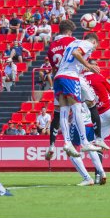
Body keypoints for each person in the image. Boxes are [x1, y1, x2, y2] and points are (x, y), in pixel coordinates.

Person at [53, 33, 102, 157]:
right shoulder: (87, 43)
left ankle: (67, 143)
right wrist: (89, 65)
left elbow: (70, 59)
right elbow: (76, 54)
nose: (92, 51)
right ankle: (85, 142)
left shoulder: (71, 43)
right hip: (70, 77)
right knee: (77, 109)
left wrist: (83, 67)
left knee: (64, 111)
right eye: (95, 48)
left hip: (59, 77)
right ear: (94, 42)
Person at [45, 20, 77, 160]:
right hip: (70, 78)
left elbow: (52, 68)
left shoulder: (52, 45)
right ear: (69, 31)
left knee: (58, 115)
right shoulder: (73, 41)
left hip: (58, 79)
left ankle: (52, 145)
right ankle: (75, 142)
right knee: (80, 109)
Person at [66, 103, 107, 186]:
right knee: (91, 148)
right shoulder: (89, 90)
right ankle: (102, 172)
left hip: (78, 123)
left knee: (71, 150)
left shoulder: (73, 91)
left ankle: (87, 178)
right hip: (89, 123)